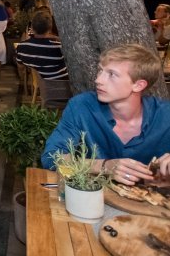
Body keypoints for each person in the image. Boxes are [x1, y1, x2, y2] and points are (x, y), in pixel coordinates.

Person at [42, 44, 170, 183]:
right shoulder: (82, 106)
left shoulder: (165, 116)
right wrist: (105, 166)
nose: (98, 80)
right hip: (95, 197)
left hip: (149, 202)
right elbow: (52, 157)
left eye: (112, 75)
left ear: (138, 85)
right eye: (100, 71)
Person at [15, 11, 68, 80]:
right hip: (62, 87)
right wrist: (56, 38)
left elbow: (21, 67)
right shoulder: (59, 48)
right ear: (49, 29)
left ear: (32, 27)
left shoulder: (22, 47)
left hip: (38, 86)